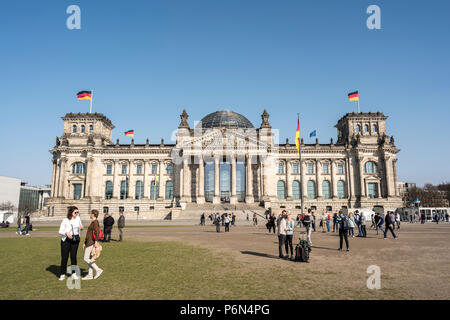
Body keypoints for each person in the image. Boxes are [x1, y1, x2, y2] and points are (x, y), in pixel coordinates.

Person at [58, 206, 82, 281]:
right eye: (75, 212)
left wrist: (81, 227)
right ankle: (62, 274)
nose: (77, 214)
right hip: (66, 240)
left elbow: (80, 227)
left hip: (75, 240)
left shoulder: (78, 218)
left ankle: (74, 273)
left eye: (78, 212)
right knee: (64, 257)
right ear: (71, 213)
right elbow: (60, 231)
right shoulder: (65, 220)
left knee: (73, 256)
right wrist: (66, 233)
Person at [82, 209, 103, 280]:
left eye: (90, 213)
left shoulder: (95, 222)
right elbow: (89, 233)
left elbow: (97, 232)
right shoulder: (93, 222)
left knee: (86, 258)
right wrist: (84, 242)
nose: (90, 214)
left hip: (91, 242)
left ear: (93, 214)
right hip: (88, 242)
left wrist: (96, 241)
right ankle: (90, 275)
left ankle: (98, 269)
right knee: (90, 259)